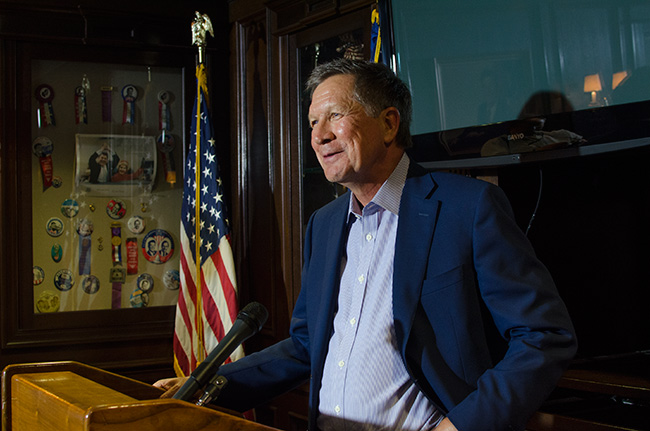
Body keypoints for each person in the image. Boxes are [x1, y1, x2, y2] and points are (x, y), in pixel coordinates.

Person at [155, 59, 577, 431]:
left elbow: (543, 335)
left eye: (334, 115)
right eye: (312, 123)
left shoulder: (466, 208)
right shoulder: (323, 225)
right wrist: (207, 387)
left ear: (390, 123)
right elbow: (306, 346)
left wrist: (461, 426)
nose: (319, 137)